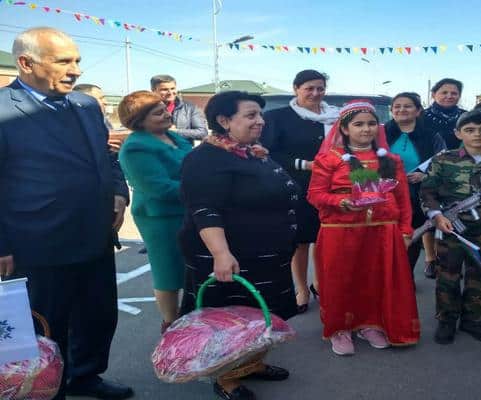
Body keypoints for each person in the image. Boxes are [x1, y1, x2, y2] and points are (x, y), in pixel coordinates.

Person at [0, 27, 133, 400]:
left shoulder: (85, 105)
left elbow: (106, 157)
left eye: (76, 60)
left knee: (97, 316)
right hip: (37, 242)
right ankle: (46, 390)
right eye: (63, 61)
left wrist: (119, 192)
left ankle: (85, 376)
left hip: (94, 235)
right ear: (26, 63)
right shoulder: (4, 110)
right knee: (46, 325)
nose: (75, 70)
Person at [179, 91, 297, 400]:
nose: (261, 121)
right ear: (224, 120)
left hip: (265, 255)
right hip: (233, 256)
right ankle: (227, 379)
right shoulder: (204, 159)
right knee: (231, 321)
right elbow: (205, 210)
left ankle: (251, 364)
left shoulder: (250, 152)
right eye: (251, 115)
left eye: (260, 114)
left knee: (260, 314)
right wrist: (221, 254)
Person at [307, 100, 420, 356]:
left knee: (375, 280)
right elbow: (314, 194)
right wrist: (341, 202)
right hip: (340, 231)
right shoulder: (329, 159)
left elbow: (403, 199)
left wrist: (405, 230)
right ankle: (340, 328)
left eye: (371, 124)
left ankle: (369, 324)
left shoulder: (391, 160)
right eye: (358, 124)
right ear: (344, 129)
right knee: (340, 280)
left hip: (383, 231)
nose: (366, 129)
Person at [420, 110, 481, 345]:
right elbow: (427, 191)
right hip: (450, 228)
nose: (477, 134)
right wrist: (436, 215)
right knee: (448, 274)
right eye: (470, 130)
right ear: (458, 133)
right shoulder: (443, 160)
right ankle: (447, 320)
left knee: (480, 275)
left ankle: (473, 320)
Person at [261, 69, 339, 313]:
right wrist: (304, 164)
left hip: (332, 186)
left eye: (320, 88)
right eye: (309, 88)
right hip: (296, 186)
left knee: (324, 238)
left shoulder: (336, 117)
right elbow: (268, 152)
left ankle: (320, 284)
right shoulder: (278, 117)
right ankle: (302, 288)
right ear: (296, 89)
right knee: (301, 240)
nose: (315, 93)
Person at [117, 91, 192, 333]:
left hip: (188, 210)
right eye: (158, 113)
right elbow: (158, 187)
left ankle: (193, 319)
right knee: (168, 270)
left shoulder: (173, 136)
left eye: (164, 109)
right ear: (139, 120)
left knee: (190, 268)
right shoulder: (135, 147)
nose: (166, 115)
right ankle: (171, 324)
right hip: (160, 218)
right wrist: (202, 187)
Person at [385, 92, 446, 278]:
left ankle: (405, 277)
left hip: (417, 193)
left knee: (410, 235)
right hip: (386, 194)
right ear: (391, 110)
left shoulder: (431, 135)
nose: (402, 109)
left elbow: (444, 161)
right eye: (397, 106)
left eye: (408, 106)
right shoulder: (380, 133)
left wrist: (425, 175)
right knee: (386, 235)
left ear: (418, 111)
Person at [150, 74, 208, 142]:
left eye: (173, 88)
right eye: (164, 89)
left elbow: (202, 132)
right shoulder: (146, 109)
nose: (170, 92)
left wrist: (176, 132)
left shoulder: (190, 108)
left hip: (182, 148)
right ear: (153, 91)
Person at [423, 78, 467, 150]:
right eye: (444, 93)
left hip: (462, 156)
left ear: (459, 96)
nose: (449, 96)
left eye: (454, 93)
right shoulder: (421, 116)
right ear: (433, 95)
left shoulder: (467, 117)